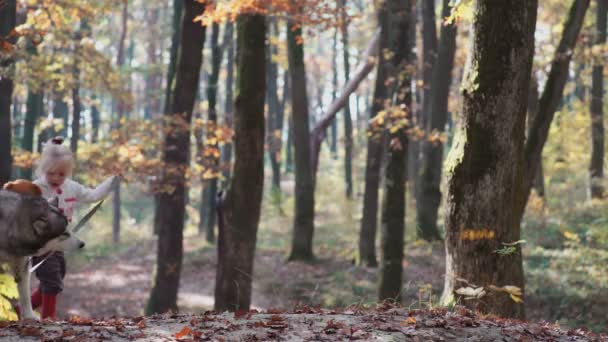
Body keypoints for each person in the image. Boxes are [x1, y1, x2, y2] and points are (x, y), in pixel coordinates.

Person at [27, 136, 118, 320]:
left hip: (62, 244)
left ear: (67, 172)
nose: (55, 178)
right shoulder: (36, 188)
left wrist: (110, 183)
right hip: (43, 244)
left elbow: (92, 195)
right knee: (52, 281)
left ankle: (21, 311)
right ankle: (48, 321)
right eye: (51, 173)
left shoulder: (71, 187)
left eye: (61, 174)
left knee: (54, 279)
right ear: (44, 169)